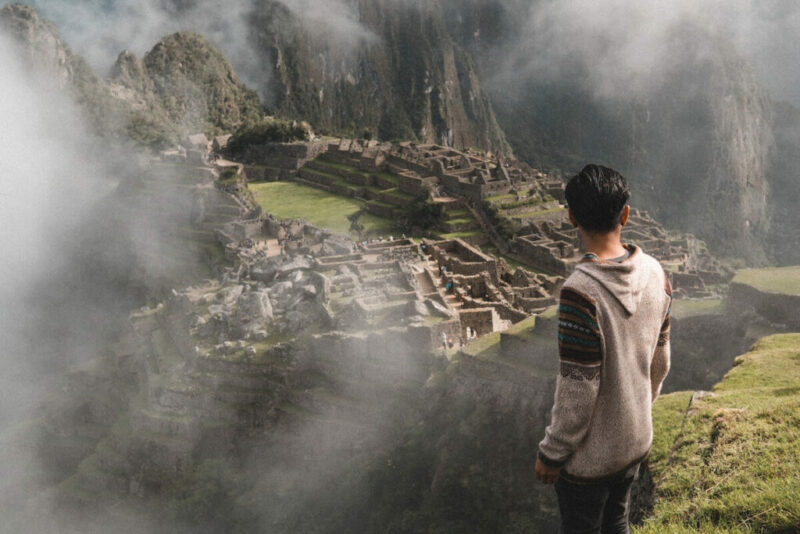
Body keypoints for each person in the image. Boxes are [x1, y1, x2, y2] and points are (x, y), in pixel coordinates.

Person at [535, 164, 671, 534]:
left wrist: (553, 452)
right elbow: (660, 361)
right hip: (636, 439)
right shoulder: (657, 274)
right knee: (618, 521)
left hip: (591, 460)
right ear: (625, 214)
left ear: (571, 217)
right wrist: (638, 408)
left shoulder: (580, 292)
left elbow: (579, 387)